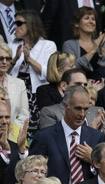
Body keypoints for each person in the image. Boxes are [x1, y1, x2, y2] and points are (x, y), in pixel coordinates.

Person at [29, 85, 105, 184]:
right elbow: (32, 174)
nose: (82, 114)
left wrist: (93, 160)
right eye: (78, 108)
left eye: (86, 109)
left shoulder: (97, 137)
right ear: (66, 107)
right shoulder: (44, 137)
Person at [9, 10, 57, 140]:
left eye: (19, 23)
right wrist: (14, 60)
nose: (15, 27)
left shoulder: (48, 45)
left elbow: (50, 73)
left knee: (34, 132)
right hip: (15, 93)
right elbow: (4, 71)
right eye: (15, 23)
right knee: (14, 132)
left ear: (30, 24)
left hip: (36, 95)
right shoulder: (12, 44)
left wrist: (29, 59)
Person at [62, 6, 105, 77]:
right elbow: (71, 69)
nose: (91, 22)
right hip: (79, 85)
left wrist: (104, 57)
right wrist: (94, 49)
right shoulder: (69, 44)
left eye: (93, 19)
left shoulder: (102, 43)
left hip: (101, 84)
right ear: (77, 24)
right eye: (87, 18)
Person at [0, 99, 27, 184]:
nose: (4, 122)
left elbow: (25, 176)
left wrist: (21, 149)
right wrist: (5, 153)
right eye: (0, 117)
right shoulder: (8, 148)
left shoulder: (15, 146)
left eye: (7, 117)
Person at [0, 42, 27, 126]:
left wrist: (13, 136)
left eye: (8, 59)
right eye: (0, 58)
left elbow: (24, 113)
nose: (4, 62)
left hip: (12, 135)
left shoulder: (19, 83)